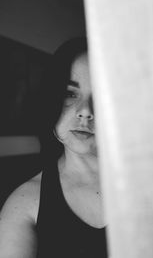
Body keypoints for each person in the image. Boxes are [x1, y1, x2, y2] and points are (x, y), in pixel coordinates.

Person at [0, 37, 108, 258]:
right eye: (70, 94)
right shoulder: (25, 203)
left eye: (101, 96)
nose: (85, 111)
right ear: (51, 99)